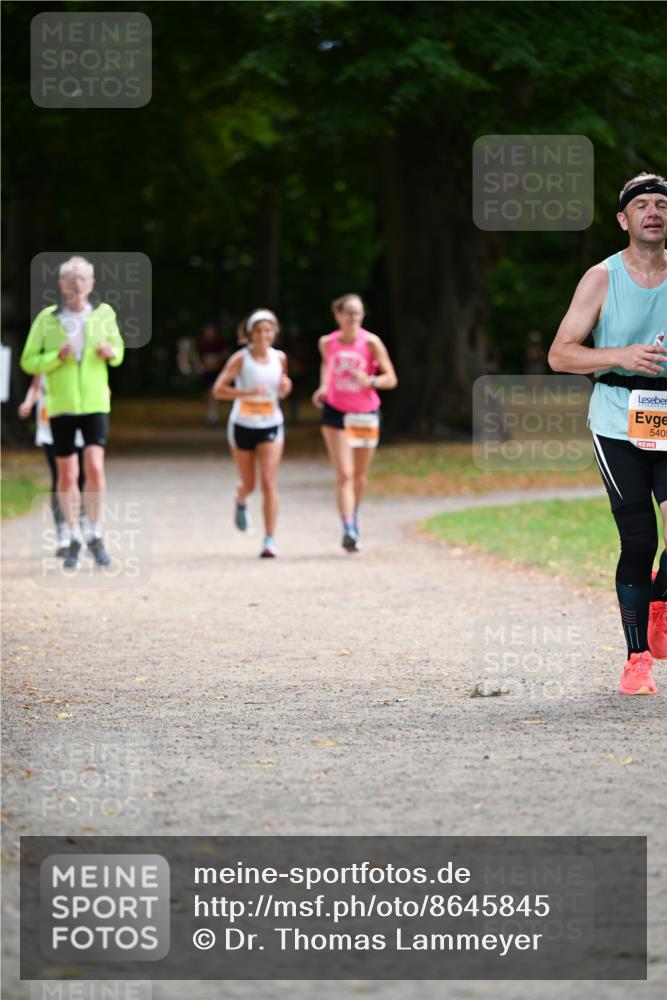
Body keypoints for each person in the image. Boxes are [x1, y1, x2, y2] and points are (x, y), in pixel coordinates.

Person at [548, 172, 667, 696]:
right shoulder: (601, 278)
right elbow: (560, 354)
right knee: (640, 540)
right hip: (616, 420)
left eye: (662, 204)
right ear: (624, 220)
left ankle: (660, 603)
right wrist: (620, 355)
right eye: (642, 205)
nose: (653, 212)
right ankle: (636, 657)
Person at [20, 255, 125, 569]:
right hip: (62, 405)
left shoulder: (104, 315)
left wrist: (111, 353)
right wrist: (55, 357)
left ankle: (95, 531)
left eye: (83, 279)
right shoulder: (47, 319)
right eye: (71, 279)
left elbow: (118, 352)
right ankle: (73, 534)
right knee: (68, 474)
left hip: (94, 403)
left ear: (91, 284)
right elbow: (28, 361)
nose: (77, 284)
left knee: (94, 465)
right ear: (62, 285)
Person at [312, 293, 398, 552]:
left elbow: (391, 378)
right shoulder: (327, 343)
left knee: (359, 476)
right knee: (344, 475)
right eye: (349, 312)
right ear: (337, 314)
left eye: (358, 313)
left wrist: (371, 381)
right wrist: (324, 387)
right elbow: (327, 367)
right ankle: (348, 527)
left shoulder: (371, 342)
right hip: (336, 413)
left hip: (366, 414)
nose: (354, 318)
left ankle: (354, 515)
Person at [213, 309, 292, 558]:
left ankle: (269, 539)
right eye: (258, 330)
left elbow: (282, 389)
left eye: (268, 330)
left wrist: (285, 388)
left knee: (269, 482)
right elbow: (218, 390)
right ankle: (240, 497)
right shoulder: (240, 358)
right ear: (250, 333)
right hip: (242, 425)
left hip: (270, 424)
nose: (263, 335)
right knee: (250, 483)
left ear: (274, 333)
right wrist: (246, 393)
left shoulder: (280, 358)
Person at [18, 374, 86, 556]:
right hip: (49, 422)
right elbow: (36, 386)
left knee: (79, 478)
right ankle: (63, 535)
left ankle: (81, 529)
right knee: (61, 476)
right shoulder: (46, 356)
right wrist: (27, 403)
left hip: (78, 417)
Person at [195, 321, 228, 425]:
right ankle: (211, 414)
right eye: (208, 330)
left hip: (217, 372)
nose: (210, 332)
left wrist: (216, 358)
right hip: (206, 372)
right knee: (208, 394)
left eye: (212, 330)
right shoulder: (201, 343)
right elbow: (196, 356)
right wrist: (200, 365)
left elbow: (226, 354)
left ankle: (213, 415)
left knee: (213, 392)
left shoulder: (219, 343)